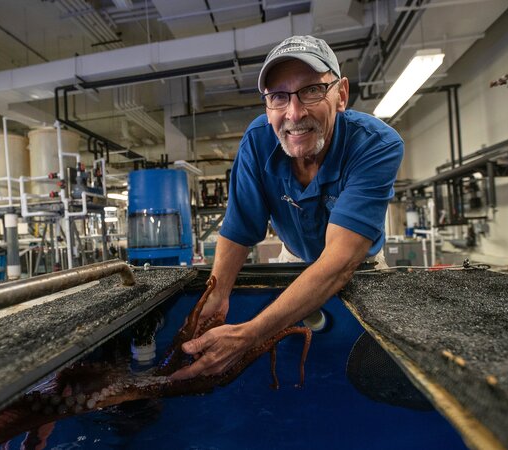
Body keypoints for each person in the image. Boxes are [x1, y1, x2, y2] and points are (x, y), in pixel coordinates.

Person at [169, 35, 403, 381]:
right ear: (267, 106)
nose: (294, 113)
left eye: (312, 90)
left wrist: (246, 336)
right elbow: (239, 229)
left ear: (341, 94)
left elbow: (340, 263)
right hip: (293, 258)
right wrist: (216, 296)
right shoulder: (257, 141)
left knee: (367, 360)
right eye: (279, 96)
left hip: (360, 266)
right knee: (294, 356)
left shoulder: (375, 145)